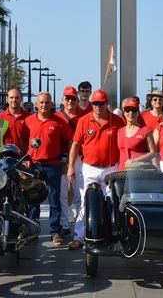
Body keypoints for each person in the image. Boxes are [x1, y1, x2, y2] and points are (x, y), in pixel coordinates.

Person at [67, 88, 124, 250]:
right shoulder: (84, 121)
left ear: (107, 104)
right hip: (89, 168)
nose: (98, 107)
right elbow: (75, 145)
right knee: (86, 202)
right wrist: (71, 166)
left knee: (112, 201)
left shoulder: (117, 121)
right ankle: (80, 236)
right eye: (95, 103)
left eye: (101, 103)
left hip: (111, 168)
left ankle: (111, 234)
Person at [24, 92, 73, 245]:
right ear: (36, 104)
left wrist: (67, 163)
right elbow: (23, 140)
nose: (44, 105)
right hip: (34, 165)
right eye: (41, 102)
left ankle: (55, 232)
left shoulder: (59, 121)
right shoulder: (28, 121)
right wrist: (25, 159)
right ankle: (33, 231)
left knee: (54, 200)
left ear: (52, 104)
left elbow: (71, 141)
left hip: (53, 165)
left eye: (47, 102)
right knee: (33, 199)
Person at [56, 85, 81, 237]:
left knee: (79, 194)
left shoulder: (83, 118)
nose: (70, 101)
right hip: (62, 158)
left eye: (73, 98)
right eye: (67, 98)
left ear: (77, 100)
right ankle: (64, 225)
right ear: (62, 100)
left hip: (79, 158)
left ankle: (81, 226)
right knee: (63, 195)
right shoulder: (57, 118)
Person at [118, 97, 157, 170]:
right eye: (127, 110)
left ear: (138, 113)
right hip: (122, 171)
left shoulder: (146, 131)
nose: (130, 113)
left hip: (139, 171)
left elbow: (153, 153)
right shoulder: (120, 131)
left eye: (134, 110)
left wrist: (135, 160)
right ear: (124, 112)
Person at [0, 87, 31, 153]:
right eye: (11, 97)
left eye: (17, 97)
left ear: (21, 99)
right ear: (7, 99)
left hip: (22, 159)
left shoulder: (29, 118)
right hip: (4, 158)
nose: (14, 100)